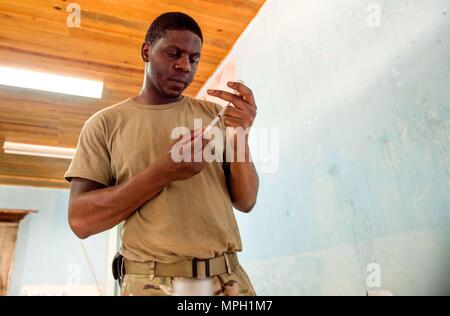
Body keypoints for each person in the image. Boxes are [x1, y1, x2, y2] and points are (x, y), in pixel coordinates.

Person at [65, 12, 259, 296]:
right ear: (146, 51)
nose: (184, 66)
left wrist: (241, 132)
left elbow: (246, 201)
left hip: (228, 279)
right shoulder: (105, 123)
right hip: (150, 281)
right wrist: (164, 171)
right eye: (174, 53)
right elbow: (81, 221)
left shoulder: (215, 117)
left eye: (194, 58)